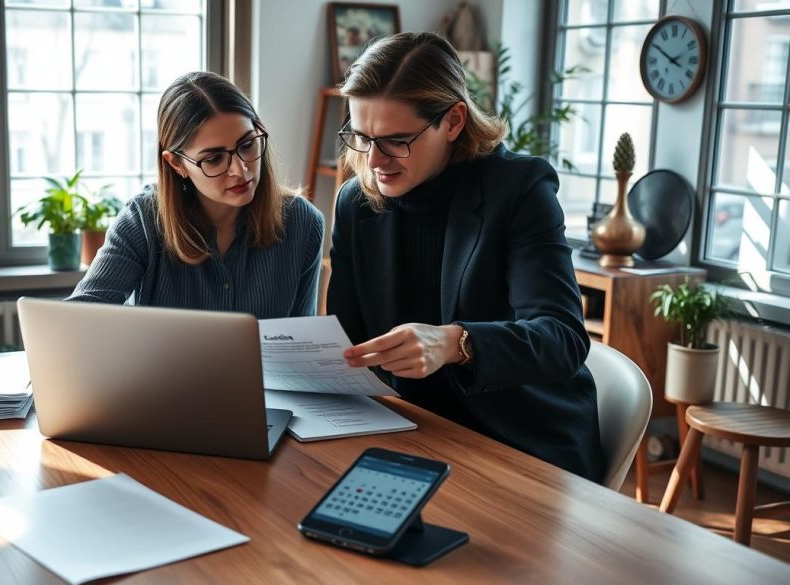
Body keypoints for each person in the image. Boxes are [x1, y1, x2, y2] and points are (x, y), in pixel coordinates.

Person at [327, 32, 605, 482]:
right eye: (361, 136)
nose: (374, 160)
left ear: (453, 121)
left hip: (517, 439)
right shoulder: (355, 203)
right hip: (412, 434)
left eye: (397, 140)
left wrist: (456, 343)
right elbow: (349, 344)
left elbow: (562, 338)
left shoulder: (519, 191)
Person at [69, 72, 324, 319]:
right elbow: (79, 318)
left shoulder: (303, 222)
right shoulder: (143, 221)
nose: (240, 169)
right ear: (176, 164)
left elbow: (299, 340)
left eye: (247, 145)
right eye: (213, 159)